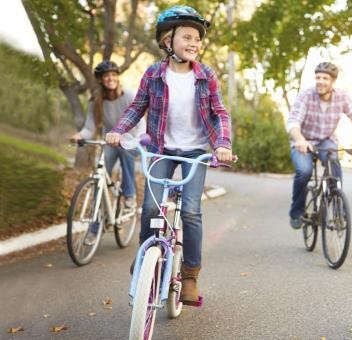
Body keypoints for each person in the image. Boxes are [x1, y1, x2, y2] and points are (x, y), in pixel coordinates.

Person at [105, 5, 233, 306]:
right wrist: (119, 131)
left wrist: (223, 145)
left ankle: (189, 275)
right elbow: (137, 107)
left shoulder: (205, 74)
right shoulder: (153, 73)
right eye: (187, 37)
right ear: (167, 41)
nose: (194, 44)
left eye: (197, 39)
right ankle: (144, 257)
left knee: (190, 211)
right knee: (150, 208)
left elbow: (219, 113)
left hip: (194, 151)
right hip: (160, 149)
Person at [286, 62, 352, 229]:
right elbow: (293, 122)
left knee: (333, 163)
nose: (320, 81)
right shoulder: (306, 95)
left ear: (333, 82)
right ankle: (296, 211)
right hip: (304, 141)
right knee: (304, 171)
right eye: (318, 77)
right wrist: (300, 139)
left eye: (325, 78)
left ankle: (337, 207)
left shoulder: (342, 97)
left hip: (326, 140)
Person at [70, 60, 145, 245]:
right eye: (106, 76)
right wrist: (80, 135)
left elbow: (138, 119)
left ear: (117, 77)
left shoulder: (128, 95)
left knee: (126, 152)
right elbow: (90, 127)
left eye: (113, 75)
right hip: (109, 142)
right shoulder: (96, 101)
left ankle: (129, 195)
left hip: (131, 138)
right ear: (101, 80)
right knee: (98, 179)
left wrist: (126, 137)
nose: (110, 78)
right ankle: (94, 230)